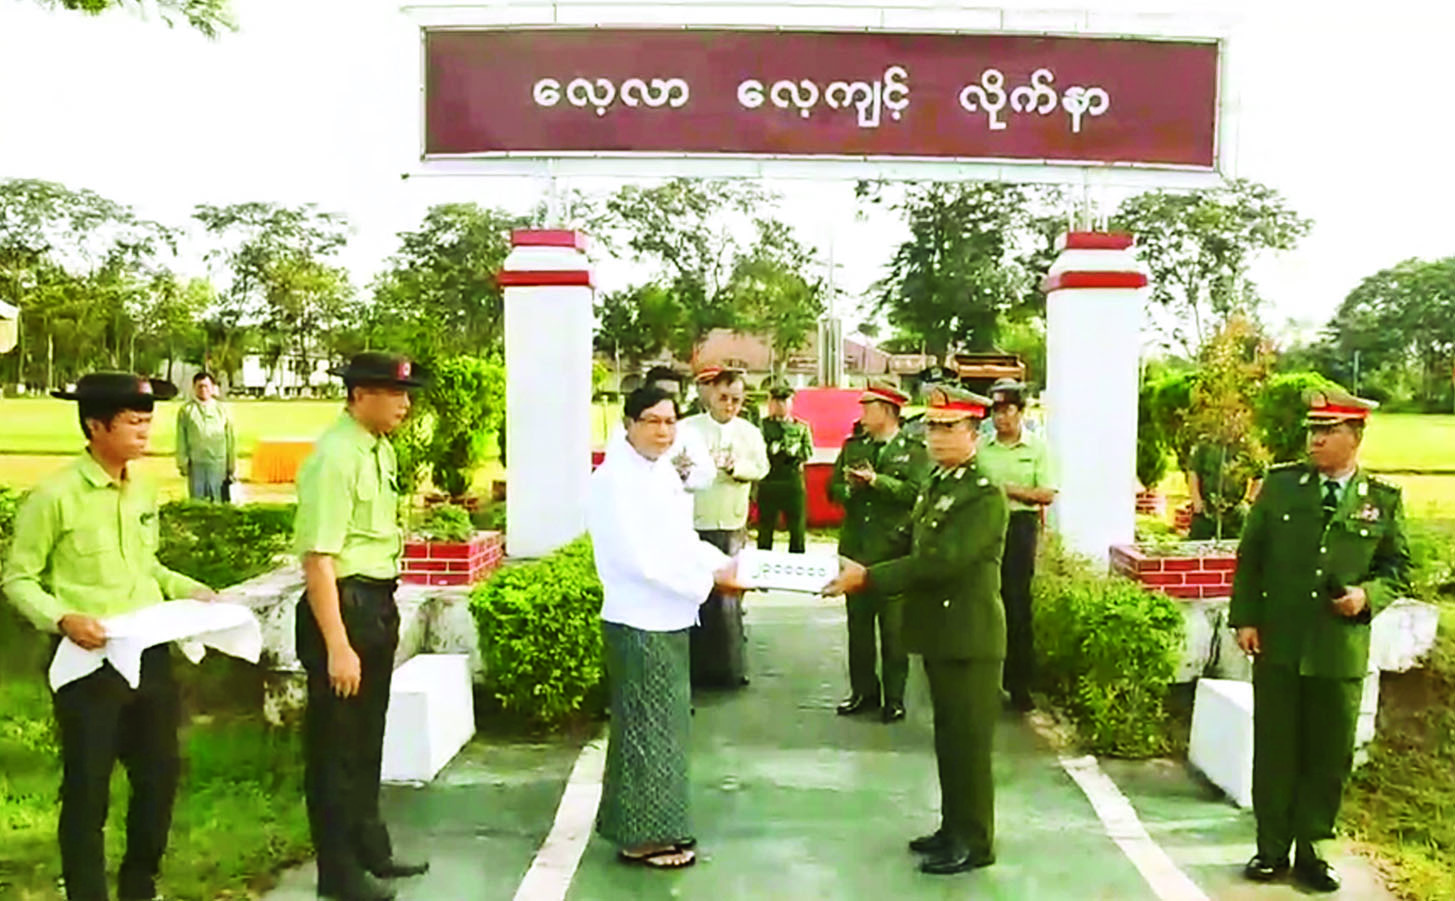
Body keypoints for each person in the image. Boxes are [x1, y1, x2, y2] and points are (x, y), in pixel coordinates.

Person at [2, 372, 216, 901]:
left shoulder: (143, 489)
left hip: (148, 655)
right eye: (133, 422)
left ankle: (140, 886)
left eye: (148, 421)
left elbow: (148, 567)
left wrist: (190, 590)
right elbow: (18, 579)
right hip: (88, 664)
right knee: (88, 787)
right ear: (96, 426)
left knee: (159, 778)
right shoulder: (54, 497)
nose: (145, 432)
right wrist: (62, 619)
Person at [1231, 387, 1409, 894]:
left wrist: (1366, 596)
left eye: (1328, 432)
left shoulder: (1381, 500)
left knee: (1328, 756)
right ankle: (1271, 849)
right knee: (1275, 750)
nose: (1315, 440)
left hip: (1338, 648)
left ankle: (1314, 852)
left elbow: (1398, 568)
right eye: (1313, 431)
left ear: (1355, 437)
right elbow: (1251, 556)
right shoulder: (1283, 486)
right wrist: (1246, 619)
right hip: (1280, 642)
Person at [825, 386, 1007, 876]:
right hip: (942, 633)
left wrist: (868, 578)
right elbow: (906, 538)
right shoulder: (940, 482)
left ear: (974, 433)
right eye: (932, 427)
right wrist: (857, 565)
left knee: (969, 745)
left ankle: (976, 841)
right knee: (948, 739)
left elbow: (940, 561)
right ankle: (953, 828)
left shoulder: (982, 493)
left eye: (949, 427)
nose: (937, 436)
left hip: (970, 635)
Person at [293, 353, 431, 901]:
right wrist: (337, 645)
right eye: (393, 393)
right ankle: (338, 873)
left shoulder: (378, 448)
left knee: (368, 738)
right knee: (336, 751)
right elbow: (318, 560)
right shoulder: (335, 457)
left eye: (406, 394)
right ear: (358, 395)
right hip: (342, 609)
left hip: (375, 602)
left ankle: (370, 848)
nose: (405, 404)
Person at [588, 386, 743, 871]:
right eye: (652, 421)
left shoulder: (657, 473)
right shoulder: (614, 481)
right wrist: (710, 582)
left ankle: (647, 826)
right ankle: (642, 838)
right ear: (628, 425)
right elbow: (641, 561)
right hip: (640, 620)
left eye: (670, 421)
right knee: (646, 731)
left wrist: (724, 565)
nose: (663, 431)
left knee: (662, 728)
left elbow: (681, 540)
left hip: (667, 618)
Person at [827, 379, 929, 723]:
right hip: (856, 548)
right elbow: (833, 489)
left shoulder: (914, 451)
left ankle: (894, 698)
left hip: (893, 550)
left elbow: (916, 493)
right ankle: (863, 692)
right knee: (858, 629)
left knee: (894, 631)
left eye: (868, 408)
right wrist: (850, 488)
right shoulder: (854, 446)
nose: (862, 414)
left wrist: (877, 482)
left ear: (887, 411)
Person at [678, 366, 769, 688]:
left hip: (731, 520)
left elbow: (762, 468)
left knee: (729, 598)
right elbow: (673, 464)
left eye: (736, 400)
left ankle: (730, 670)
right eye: (724, 397)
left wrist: (736, 467)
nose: (729, 405)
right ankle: (695, 670)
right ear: (710, 396)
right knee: (697, 596)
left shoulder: (749, 432)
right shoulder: (688, 428)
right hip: (696, 521)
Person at [975, 378, 1057, 712]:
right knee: (983, 600)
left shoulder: (1037, 448)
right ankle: (983, 678)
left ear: (1021, 412)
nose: (1001, 418)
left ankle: (1019, 683)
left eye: (1008, 411)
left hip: (1019, 526)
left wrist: (1007, 490)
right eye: (996, 411)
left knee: (1016, 602)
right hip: (983, 526)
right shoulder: (981, 447)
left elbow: (1046, 494)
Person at [756, 384, 815, 553]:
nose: (780, 406)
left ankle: (797, 561)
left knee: (797, 528)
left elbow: (809, 451)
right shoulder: (762, 426)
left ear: (791, 404)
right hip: (769, 480)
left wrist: (795, 452)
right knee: (765, 528)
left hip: (792, 481)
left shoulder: (801, 427)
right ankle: (763, 561)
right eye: (776, 402)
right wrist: (770, 449)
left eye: (784, 402)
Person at [175, 370, 236, 502]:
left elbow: (230, 439)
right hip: (196, 463)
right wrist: (182, 462)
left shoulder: (222, 409)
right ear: (194, 388)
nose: (203, 390)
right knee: (198, 501)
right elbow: (181, 438)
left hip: (218, 463)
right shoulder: (186, 411)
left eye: (206, 386)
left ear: (213, 388)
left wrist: (231, 466)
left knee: (218, 500)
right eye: (200, 386)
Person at [1187, 439, 1254, 540]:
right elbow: (1193, 473)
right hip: (1206, 510)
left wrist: (1249, 501)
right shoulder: (1204, 446)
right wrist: (1197, 501)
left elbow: (1259, 476)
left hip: (1235, 512)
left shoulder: (1246, 448)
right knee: (1198, 545)